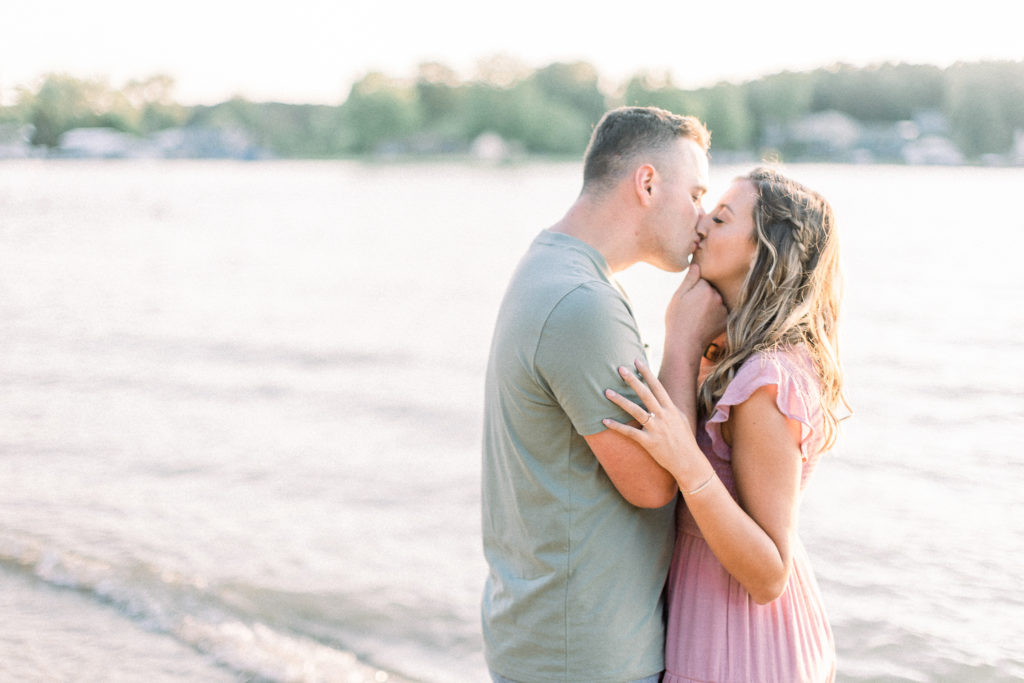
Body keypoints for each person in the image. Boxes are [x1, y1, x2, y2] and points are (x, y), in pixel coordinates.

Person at [480, 106, 726, 683]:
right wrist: (685, 340)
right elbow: (654, 483)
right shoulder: (582, 303)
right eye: (695, 194)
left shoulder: (551, 267)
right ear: (647, 183)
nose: (702, 218)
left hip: (548, 636)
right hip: (584, 656)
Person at [603, 167, 847, 682]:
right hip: (710, 610)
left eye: (719, 218)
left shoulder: (764, 381)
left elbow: (770, 574)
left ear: (761, 252)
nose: (700, 226)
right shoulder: (726, 354)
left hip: (743, 640)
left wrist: (685, 461)